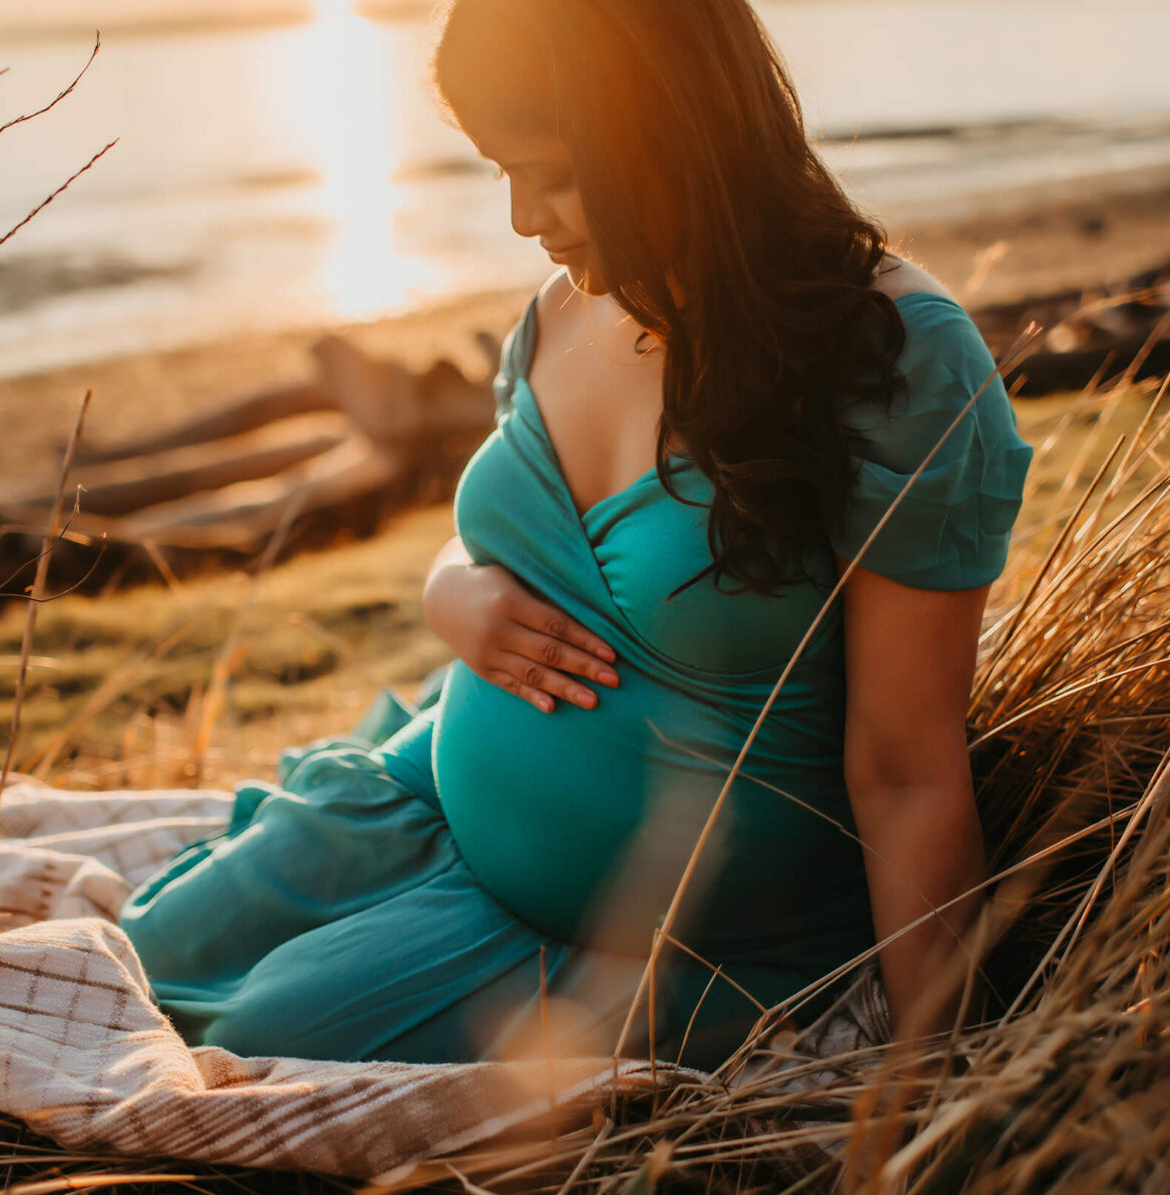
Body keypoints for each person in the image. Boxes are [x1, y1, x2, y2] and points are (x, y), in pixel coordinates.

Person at [117, 0, 1033, 1069]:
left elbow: (907, 765)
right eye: (496, 169)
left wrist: (936, 1077)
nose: (519, 216)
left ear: (670, 129)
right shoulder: (561, 310)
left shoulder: (897, 363)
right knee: (145, 947)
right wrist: (447, 592)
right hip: (426, 788)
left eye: (550, 173)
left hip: (675, 943)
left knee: (253, 1040)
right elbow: (493, 538)